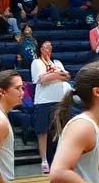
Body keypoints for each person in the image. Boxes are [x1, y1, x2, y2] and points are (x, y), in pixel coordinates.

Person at [31, 41, 72, 174]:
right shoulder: (37, 63)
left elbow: (67, 76)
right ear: (41, 49)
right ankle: (43, 160)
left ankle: (59, 158)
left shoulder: (57, 63)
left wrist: (53, 76)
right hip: (43, 101)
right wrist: (57, 75)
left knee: (59, 131)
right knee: (43, 132)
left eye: (50, 47)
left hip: (58, 100)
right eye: (46, 47)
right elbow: (41, 79)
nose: (48, 49)